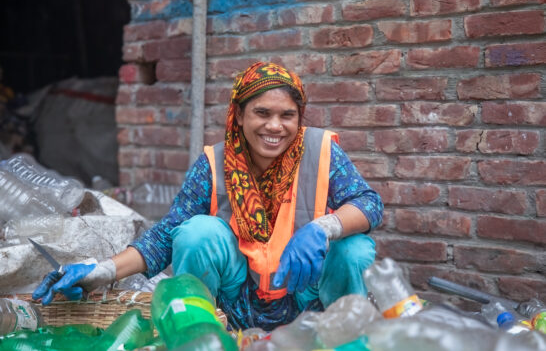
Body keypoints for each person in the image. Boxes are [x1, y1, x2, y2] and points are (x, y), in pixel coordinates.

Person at [33, 62, 383, 331]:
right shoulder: (214, 165)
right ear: (239, 114)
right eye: (262, 113)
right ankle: (201, 334)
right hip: (235, 304)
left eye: (287, 115)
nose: (275, 126)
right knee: (197, 232)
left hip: (308, 300)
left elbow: (369, 204)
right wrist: (102, 270)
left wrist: (323, 228)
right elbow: (166, 237)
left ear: (299, 118)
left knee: (354, 248)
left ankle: (345, 338)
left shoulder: (321, 151)